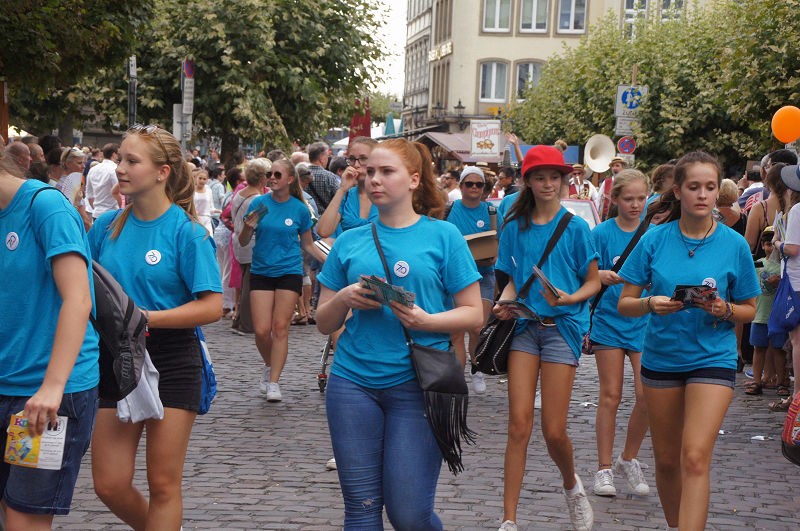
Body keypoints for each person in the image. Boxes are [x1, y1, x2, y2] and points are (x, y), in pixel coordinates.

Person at [315, 139, 483, 529]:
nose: (374, 179)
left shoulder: (444, 236)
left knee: (408, 514)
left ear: (413, 180)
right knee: (361, 509)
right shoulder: (350, 240)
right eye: (370, 171)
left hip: (418, 384)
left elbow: (474, 314)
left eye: (386, 171)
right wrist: (344, 298)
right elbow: (323, 321)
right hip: (352, 383)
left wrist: (426, 321)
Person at [89, 125, 222, 530]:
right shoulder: (105, 226)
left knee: (163, 484)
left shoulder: (187, 232)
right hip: (114, 358)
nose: (120, 168)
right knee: (109, 483)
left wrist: (147, 317)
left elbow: (212, 306)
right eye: (120, 159)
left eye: (132, 161)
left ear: (162, 172)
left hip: (172, 358)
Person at [618, 151, 759, 531]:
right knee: (667, 461)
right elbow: (624, 303)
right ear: (678, 191)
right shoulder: (654, 240)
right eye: (694, 187)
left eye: (710, 187)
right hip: (662, 358)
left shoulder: (734, 244)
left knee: (694, 456)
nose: (703, 194)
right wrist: (651, 303)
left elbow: (750, 308)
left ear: (717, 192)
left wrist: (725, 309)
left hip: (713, 356)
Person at [494, 145, 600, 531]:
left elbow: (593, 282)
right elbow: (512, 282)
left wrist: (570, 298)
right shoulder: (514, 225)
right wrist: (503, 304)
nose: (548, 184)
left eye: (555, 177)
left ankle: (571, 484)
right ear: (528, 182)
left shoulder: (576, 228)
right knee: (518, 424)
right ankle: (509, 518)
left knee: (553, 430)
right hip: (524, 327)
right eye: (540, 177)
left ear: (564, 180)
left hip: (562, 328)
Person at [0, 146, 99, 529]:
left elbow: (78, 298)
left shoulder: (46, 207)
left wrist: (52, 388)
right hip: (8, 382)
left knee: (23, 519)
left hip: (44, 399)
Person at [239, 158, 327, 402]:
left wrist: (330, 262)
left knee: (280, 328)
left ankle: (274, 382)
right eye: (270, 174)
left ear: (290, 179)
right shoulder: (259, 204)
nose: (272, 178)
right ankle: (269, 365)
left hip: (289, 271)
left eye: (277, 174)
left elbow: (308, 244)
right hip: (262, 271)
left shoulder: (299, 209)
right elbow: (243, 241)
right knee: (261, 330)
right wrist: (248, 227)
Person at [588, 169, 651, 498]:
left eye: (641, 198)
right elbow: (583, 273)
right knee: (610, 395)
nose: (636, 204)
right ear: (615, 199)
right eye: (628, 199)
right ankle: (603, 469)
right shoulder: (601, 233)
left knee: (647, 395)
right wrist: (600, 275)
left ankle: (628, 458)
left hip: (644, 322)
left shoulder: (653, 233)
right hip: (609, 321)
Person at [445, 165, 497, 394]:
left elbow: (498, 243)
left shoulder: (492, 211)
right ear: (461, 186)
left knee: (478, 326)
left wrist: (492, 254)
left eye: (479, 184)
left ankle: (477, 368)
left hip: (483, 274)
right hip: (455, 276)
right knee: (456, 331)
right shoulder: (450, 209)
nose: (474, 188)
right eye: (469, 184)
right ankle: (457, 379)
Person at [231, 159, 272, 335]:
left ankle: (240, 319)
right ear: (263, 179)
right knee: (249, 285)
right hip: (251, 243)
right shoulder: (258, 200)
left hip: (239, 242)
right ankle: (247, 324)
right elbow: (263, 223)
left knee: (245, 282)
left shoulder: (240, 194)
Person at [316, 137, 378, 238]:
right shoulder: (347, 195)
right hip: (349, 248)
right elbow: (323, 231)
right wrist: (342, 189)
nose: (356, 165)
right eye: (352, 159)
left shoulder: (388, 195)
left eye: (363, 158)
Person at [85, 143, 121, 220]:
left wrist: (96, 208)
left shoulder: (93, 169)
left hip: (97, 213)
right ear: (114, 154)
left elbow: (89, 194)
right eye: (118, 154)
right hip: (112, 213)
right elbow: (119, 192)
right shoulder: (114, 169)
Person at [193, 169, 216, 236]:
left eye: (204, 179)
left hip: (206, 220)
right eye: (200, 178)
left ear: (207, 180)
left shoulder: (209, 191)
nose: (202, 180)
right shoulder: (191, 191)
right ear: (196, 178)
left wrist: (218, 211)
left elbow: (211, 207)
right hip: (194, 220)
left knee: (208, 239)